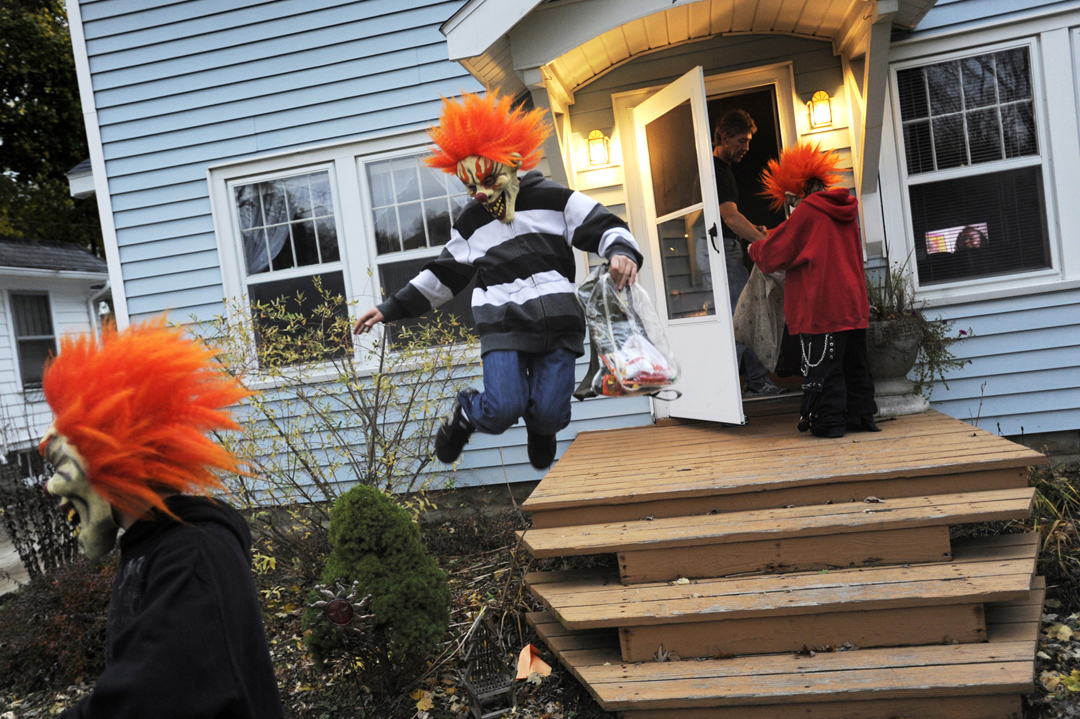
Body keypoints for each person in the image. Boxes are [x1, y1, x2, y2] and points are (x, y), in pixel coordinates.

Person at [353, 91, 642, 470]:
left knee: (552, 414)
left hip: (559, 321)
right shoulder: (472, 222)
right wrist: (390, 308)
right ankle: (466, 414)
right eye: (471, 187)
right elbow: (444, 273)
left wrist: (622, 251)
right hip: (503, 323)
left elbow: (605, 225)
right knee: (504, 406)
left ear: (513, 163)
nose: (482, 193)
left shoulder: (553, 199)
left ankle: (542, 426)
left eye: (489, 180)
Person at [41, 319, 285, 719]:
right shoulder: (158, 548)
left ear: (111, 457)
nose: (51, 488)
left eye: (58, 464)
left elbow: (147, 700)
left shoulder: (191, 557)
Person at [747, 141, 879, 438]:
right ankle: (861, 418)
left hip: (823, 303)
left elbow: (774, 254)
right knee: (854, 365)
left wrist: (754, 247)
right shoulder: (843, 209)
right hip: (853, 303)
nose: (791, 206)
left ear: (797, 189)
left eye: (790, 200)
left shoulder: (807, 212)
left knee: (824, 367)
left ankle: (829, 424)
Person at [712, 109, 783, 397]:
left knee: (740, 315)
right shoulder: (716, 171)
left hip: (723, 251)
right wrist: (762, 242)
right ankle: (754, 379)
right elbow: (728, 218)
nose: (747, 147)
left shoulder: (721, 170)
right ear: (725, 137)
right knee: (743, 317)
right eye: (742, 140)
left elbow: (726, 217)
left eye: (749, 141)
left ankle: (750, 379)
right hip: (720, 255)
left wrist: (754, 227)